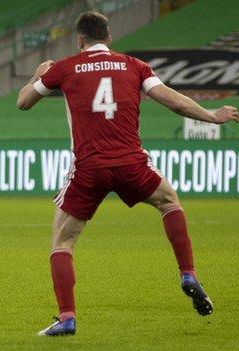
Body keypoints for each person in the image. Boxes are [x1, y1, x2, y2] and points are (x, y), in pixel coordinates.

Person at [17, 12, 238, 336]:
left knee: (62, 241)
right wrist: (212, 115)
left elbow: (23, 102)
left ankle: (67, 317)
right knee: (169, 201)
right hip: (131, 162)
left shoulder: (65, 67)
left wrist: (36, 75)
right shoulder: (134, 65)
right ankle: (188, 272)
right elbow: (173, 101)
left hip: (89, 168)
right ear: (108, 38)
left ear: (80, 40)